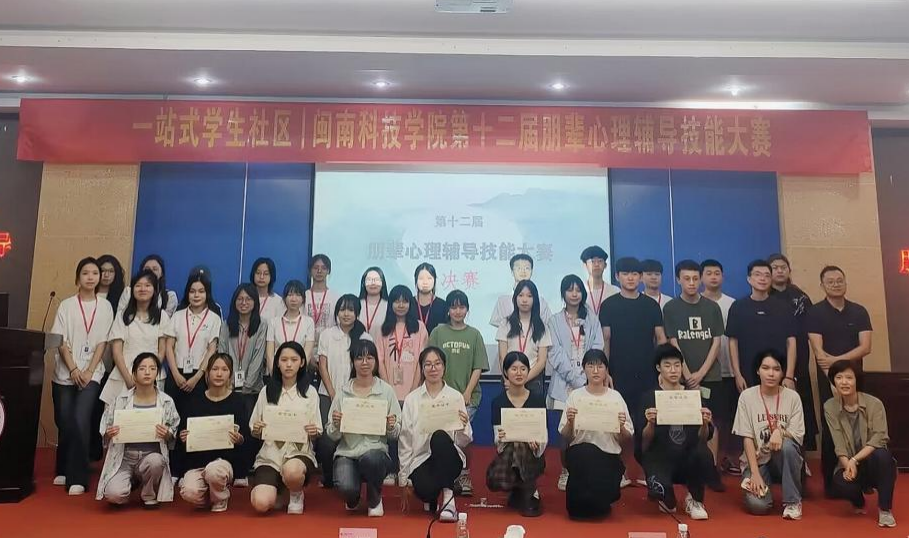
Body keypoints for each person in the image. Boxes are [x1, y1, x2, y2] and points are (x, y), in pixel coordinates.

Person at [599, 256, 666, 486]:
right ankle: (621, 471)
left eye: (635, 274)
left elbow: (661, 339)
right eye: (626, 273)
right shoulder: (609, 305)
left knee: (648, 423)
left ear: (641, 277)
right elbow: (606, 341)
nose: (630, 278)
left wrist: (662, 371)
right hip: (619, 373)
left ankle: (649, 471)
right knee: (619, 424)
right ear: (617, 276)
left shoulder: (651, 305)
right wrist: (606, 371)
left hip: (647, 374)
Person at [51, 257, 115, 495]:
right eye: (86, 273)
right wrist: (74, 369)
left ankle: (78, 477)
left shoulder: (105, 306)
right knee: (65, 421)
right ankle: (63, 468)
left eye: (95, 273)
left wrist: (88, 371)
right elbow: (60, 341)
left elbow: (102, 342)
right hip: (65, 373)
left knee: (80, 419)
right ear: (78, 277)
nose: (91, 277)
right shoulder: (66, 305)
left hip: (92, 374)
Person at [806, 265, 873, 495]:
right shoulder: (815, 312)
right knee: (831, 430)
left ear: (845, 282)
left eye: (839, 280)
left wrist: (838, 362)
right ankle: (831, 484)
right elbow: (819, 353)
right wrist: (834, 381)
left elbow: (865, 347)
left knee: (860, 428)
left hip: (856, 381)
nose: (836, 284)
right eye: (830, 281)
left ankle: (862, 480)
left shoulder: (859, 311)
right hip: (828, 381)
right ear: (822, 285)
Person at [662, 259, 725, 487]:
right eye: (686, 278)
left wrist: (701, 373)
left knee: (711, 422)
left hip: (711, 375)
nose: (691, 283)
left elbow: (716, 342)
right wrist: (687, 374)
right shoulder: (671, 308)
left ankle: (711, 469)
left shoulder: (712, 307)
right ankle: (683, 470)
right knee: (682, 423)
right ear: (678, 280)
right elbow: (673, 341)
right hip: (681, 378)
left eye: (695, 278)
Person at [636, 344, 714, 520]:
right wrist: (650, 424)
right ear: (659, 368)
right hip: (660, 456)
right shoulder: (649, 397)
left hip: (687, 455)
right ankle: (667, 497)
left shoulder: (693, 396)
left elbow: (703, 438)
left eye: (677, 365)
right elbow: (643, 443)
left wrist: (704, 423)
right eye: (668, 365)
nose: (673, 370)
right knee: (663, 497)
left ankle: (695, 499)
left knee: (703, 453)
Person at [326, 340, 402, 517]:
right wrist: (336, 424)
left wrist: (391, 426)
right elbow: (331, 434)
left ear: (376, 361)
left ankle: (375, 498)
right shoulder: (343, 392)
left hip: (375, 452)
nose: (365, 362)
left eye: (369, 357)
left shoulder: (386, 391)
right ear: (353, 362)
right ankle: (353, 497)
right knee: (346, 487)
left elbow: (396, 432)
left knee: (372, 460)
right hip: (347, 452)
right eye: (359, 358)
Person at [399, 347, 472, 522]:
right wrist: (403, 478)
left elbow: (464, 441)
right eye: (428, 364)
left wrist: (463, 426)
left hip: (450, 458)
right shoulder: (412, 400)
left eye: (437, 363)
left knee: (439, 437)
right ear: (422, 368)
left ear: (444, 367)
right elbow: (405, 439)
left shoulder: (455, 397)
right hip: (421, 459)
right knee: (425, 491)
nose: (433, 368)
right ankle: (433, 497)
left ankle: (448, 499)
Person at [96, 353, 180, 506]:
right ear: (134, 374)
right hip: (125, 457)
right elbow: (105, 431)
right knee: (114, 496)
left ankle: (148, 492)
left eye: (152, 368)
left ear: (157, 374)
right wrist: (109, 434)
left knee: (156, 462)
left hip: (151, 455)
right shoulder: (120, 400)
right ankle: (131, 482)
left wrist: (167, 434)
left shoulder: (166, 401)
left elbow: (173, 434)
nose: (147, 372)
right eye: (142, 368)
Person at [249, 342, 322, 514]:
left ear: (302, 363)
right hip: (271, 455)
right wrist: (257, 428)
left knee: (292, 472)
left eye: (294, 360)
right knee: (261, 503)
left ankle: (296, 493)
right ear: (277, 363)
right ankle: (280, 491)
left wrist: (313, 432)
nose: (289, 365)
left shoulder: (310, 392)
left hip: (298, 453)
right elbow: (254, 427)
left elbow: (317, 430)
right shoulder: (266, 391)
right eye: (284, 360)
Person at [428, 289, 488, 496]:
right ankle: (445, 476)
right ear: (448, 310)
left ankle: (464, 474)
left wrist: (467, 392)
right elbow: (429, 361)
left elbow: (478, 367)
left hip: (467, 397)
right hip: (440, 396)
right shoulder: (438, 332)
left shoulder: (475, 334)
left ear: (467, 309)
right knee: (442, 437)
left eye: (462, 307)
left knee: (463, 436)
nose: (457, 311)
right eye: (453, 307)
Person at [559, 349, 632, 520]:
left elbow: (627, 438)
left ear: (606, 369)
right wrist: (570, 422)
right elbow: (566, 436)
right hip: (580, 457)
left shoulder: (615, 397)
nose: (595, 370)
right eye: (590, 366)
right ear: (584, 369)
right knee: (576, 510)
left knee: (600, 509)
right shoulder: (575, 396)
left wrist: (621, 426)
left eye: (600, 366)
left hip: (608, 456)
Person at [547, 274, 604, 491]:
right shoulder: (554, 320)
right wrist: (577, 379)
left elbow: (597, 347)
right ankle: (566, 470)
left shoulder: (592, 319)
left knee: (588, 429)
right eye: (570, 290)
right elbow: (555, 353)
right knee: (566, 432)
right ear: (563, 293)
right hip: (564, 385)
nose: (574, 294)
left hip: (591, 381)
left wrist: (587, 376)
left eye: (578, 290)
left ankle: (587, 469)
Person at [823, 360, 896, 528]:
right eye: (839, 378)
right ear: (833, 381)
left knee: (883, 455)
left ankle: (885, 510)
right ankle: (858, 501)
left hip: (872, 460)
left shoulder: (874, 403)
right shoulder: (830, 406)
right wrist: (847, 464)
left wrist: (854, 460)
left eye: (849, 377)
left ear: (857, 380)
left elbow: (879, 438)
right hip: (849, 462)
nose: (844, 382)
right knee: (840, 482)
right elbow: (838, 441)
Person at [733, 349, 805, 520]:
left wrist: (780, 432)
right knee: (758, 506)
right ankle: (765, 489)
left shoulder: (793, 397)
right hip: (758, 460)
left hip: (783, 458)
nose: (771, 374)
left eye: (776, 369)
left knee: (788, 446)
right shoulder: (746, 397)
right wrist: (754, 473)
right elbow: (747, 438)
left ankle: (792, 502)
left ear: (782, 373)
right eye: (765, 368)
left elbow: (797, 436)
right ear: (758, 371)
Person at [315, 294, 373, 488]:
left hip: (356, 397)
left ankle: (352, 474)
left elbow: (367, 368)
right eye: (342, 309)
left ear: (357, 313)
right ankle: (328, 475)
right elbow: (322, 366)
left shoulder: (364, 337)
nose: (346, 314)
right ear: (337, 312)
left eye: (351, 310)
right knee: (326, 439)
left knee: (353, 437)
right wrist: (333, 393)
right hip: (327, 394)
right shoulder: (327, 334)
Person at [177, 353, 246, 512]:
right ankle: (210, 496)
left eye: (224, 370)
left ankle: (220, 498)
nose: (219, 374)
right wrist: (183, 436)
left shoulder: (238, 401)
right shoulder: (194, 400)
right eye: (215, 369)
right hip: (197, 462)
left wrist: (239, 438)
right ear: (207, 373)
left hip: (223, 463)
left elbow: (245, 438)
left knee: (214, 471)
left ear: (230, 374)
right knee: (189, 492)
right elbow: (182, 432)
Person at [377, 284, 428, 486]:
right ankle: (391, 470)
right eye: (396, 301)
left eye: (404, 301)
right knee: (390, 429)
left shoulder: (419, 327)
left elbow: (422, 361)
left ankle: (409, 470)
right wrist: (387, 389)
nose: (400, 305)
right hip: (389, 388)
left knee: (410, 431)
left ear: (410, 304)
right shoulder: (383, 328)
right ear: (391, 304)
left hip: (413, 389)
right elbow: (380, 360)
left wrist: (414, 389)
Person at [218, 283, 269, 483]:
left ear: (255, 302)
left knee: (249, 428)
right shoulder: (226, 324)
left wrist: (246, 384)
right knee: (231, 428)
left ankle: (246, 467)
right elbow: (222, 353)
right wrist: (229, 383)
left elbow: (259, 356)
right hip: (228, 387)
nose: (244, 302)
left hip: (252, 388)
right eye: (240, 299)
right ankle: (231, 466)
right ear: (234, 302)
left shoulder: (262, 325)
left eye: (248, 299)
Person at [487, 352, 547, 517]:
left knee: (523, 444)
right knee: (517, 444)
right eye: (514, 369)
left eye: (523, 368)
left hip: (533, 456)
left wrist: (537, 445)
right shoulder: (498, 402)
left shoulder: (538, 400)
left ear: (528, 371)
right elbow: (497, 440)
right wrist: (502, 437)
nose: (519, 373)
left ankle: (528, 493)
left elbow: (543, 434)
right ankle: (527, 491)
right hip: (508, 455)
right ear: (505, 372)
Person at [768, 253, 818, 452]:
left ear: (789, 271)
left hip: (800, 358)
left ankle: (801, 454)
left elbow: (812, 328)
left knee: (800, 403)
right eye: (775, 268)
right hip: (772, 358)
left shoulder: (801, 297)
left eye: (783, 267)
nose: (780, 271)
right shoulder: (764, 296)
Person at [726, 260, 796, 392]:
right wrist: (738, 375)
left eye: (767, 275)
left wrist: (789, 376)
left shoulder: (783, 307)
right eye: (757, 274)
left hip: (778, 371)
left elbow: (791, 341)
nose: (762, 279)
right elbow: (733, 342)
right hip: (747, 373)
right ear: (749, 279)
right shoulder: (738, 307)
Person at [103, 270, 170, 406]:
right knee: (116, 416)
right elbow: (117, 351)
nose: (142, 289)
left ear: (154, 290)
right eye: (138, 285)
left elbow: (162, 350)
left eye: (147, 285)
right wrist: (128, 378)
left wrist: (150, 373)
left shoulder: (162, 316)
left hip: (152, 377)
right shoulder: (122, 316)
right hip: (123, 375)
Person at [700, 259, 741, 475]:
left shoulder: (733, 304)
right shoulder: (696, 303)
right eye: (709, 273)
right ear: (701, 277)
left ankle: (728, 457)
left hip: (730, 369)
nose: (713, 277)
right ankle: (709, 462)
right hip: (705, 373)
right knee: (710, 418)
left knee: (729, 418)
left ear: (723, 277)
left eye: (717, 273)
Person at [164, 271, 222, 415]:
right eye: (192, 291)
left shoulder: (214, 318)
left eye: (201, 291)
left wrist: (197, 377)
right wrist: (175, 374)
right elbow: (169, 346)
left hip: (200, 376)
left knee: (195, 418)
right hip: (176, 373)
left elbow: (211, 350)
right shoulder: (177, 316)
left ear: (207, 294)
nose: (196, 295)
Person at [497, 280, 551, 399]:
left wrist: (522, 379)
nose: (524, 300)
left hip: (533, 380)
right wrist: (509, 378)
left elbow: (542, 361)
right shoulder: (505, 323)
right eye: (521, 295)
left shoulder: (542, 327)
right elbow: (502, 356)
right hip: (509, 380)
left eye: (529, 296)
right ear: (515, 298)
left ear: (535, 299)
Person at [266, 279, 315, 375]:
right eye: (290, 295)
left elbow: (307, 354)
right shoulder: (274, 322)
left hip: (299, 374)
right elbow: (269, 354)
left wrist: (297, 376)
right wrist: (274, 375)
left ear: (303, 299)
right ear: (284, 298)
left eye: (298, 295)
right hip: (277, 372)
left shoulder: (308, 322)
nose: (294, 299)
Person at [489, 254, 552, 329]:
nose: (523, 271)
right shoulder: (502, 301)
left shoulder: (541, 301)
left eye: (527, 268)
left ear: (532, 271)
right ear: (512, 271)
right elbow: (499, 326)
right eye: (519, 268)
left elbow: (548, 324)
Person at [304, 254, 338, 343]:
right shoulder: (303, 296)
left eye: (323, 268)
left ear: (328, 271)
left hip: (329, 345)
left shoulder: (336, 297)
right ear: (310, 270)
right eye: (315, 268)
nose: (319, 271)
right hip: (306, 344)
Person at [580, 245, 618, 318]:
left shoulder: (615, 291)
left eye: (600, 261)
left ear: (605, 265)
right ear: (585, 265)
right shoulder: (579, 291)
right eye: (592, 261)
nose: (596, 264)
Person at [414, 262, 448, 334]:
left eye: (429, 278)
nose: (425, 282)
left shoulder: (443, 305)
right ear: (416, 280)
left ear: (434, 280)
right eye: (421, 278)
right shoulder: (409, 304)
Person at [359, 266, 389, 340]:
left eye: (377, 280)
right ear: (363, 283)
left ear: (383, 283)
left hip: (382, 346)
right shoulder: (357, 304)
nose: (373, 283)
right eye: (369, 280)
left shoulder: (389, 306)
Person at [250, 257, 284, 323]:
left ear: (271, 276)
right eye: (258, 273)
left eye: (266, 274)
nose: (261, 277)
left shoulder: (278, 301)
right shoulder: (246, 298)